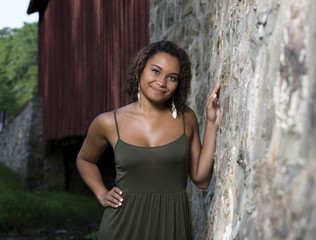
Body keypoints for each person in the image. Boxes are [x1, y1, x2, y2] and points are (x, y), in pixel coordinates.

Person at [76, 40, 220, 240]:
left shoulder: (186, 118)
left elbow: (202, 180)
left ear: (179, 83)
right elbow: (85, 160)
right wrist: (102, 194)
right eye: (155, 71)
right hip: (121, 226)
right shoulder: (108, 122)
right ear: (140, 69)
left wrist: (212, 123)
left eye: (172, 77)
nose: (161, 82)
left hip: (172, 227)